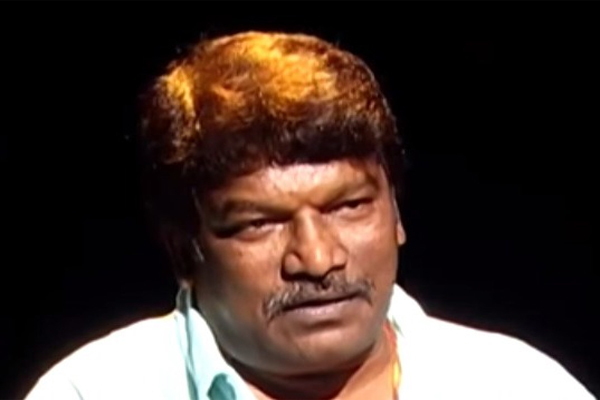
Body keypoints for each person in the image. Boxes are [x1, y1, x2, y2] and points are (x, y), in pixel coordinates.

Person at [24, 31, 595, 400]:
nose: (318, 259)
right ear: (183, 251)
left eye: (349, 207)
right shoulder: (93, 392)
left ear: (396, 213)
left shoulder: (519, 385)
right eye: (260, 224)